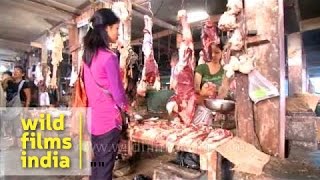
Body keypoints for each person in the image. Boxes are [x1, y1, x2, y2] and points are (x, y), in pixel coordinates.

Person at [82, 8, 130, 180]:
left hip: (93, 120)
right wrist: (128, 109)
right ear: (107, 29)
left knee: (97, 164)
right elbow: (117, 94)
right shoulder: (109, 57)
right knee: (105, 170)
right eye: (116, 28)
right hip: (108, 123)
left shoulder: (87, 56)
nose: (118, 32)